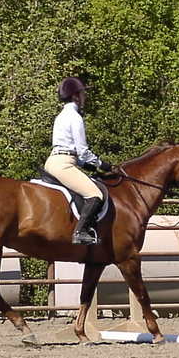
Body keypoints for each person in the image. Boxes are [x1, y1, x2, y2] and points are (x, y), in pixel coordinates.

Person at [44, 77, 112, 244]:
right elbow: (83, 151)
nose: (84, 97)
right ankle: (80, 232)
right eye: (82, 93)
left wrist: (87, 166)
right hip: (63, 165)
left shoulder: (61, 116)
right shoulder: (75, 117)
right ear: (75, 96)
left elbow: (69, 149)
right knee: (95, 194)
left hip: (53, 161)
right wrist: (101, 164)